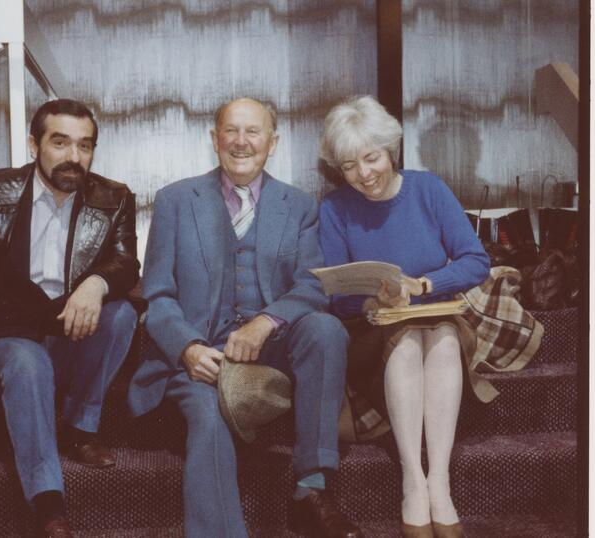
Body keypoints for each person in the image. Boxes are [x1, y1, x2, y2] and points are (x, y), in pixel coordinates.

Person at [128, 97, 362, 538]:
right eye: (230, 131)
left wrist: (266, 322)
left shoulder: (298, 205)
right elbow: (157, 296)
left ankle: (312, 488)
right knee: (209, 415)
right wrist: (187, 348)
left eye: (253, 132)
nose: (241, 142)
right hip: (200, 359)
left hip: (273, 352)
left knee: (325, 329)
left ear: (272, 143)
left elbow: (312, 286)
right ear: (214, 139)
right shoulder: (176, 200)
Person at [0, 99, 140, 538]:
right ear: (34, 145)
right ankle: (48, 504)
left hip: (64, 327)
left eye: (85, 145)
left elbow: (125, 264)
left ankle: (79, 427)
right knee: (27, 360)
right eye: (61, 142)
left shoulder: (114, 198)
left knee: (121, 315)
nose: (74, 157)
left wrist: (96, 285)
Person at [318, 96, 490, 538]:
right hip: (376, 336)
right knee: (409, 341)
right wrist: (373, 303)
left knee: (443, 337)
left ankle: (440, 482)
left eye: (372, 158)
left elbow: (476, 261)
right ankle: (413, 480)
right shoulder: (334, 209)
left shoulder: (428, 189)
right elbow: (336, 295)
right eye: (350, 166)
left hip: (440, 319)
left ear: (390, 149)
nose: (365, 174)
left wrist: (427, 284)